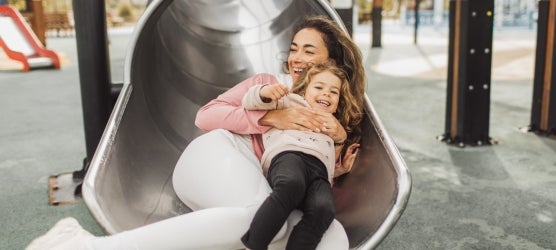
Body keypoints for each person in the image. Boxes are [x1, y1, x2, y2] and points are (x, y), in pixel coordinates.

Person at [27, 15, 366, 250]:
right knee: (267, 221)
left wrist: (334, 167)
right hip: (219, 154)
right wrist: (270, 119)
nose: (296, 58)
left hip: (263, 179)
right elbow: (206, 116)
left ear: (331, 61)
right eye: (294, 48)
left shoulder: (332, 108)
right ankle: (88, 246)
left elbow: (308, 165)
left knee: (333, 236)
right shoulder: (269, 85)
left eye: (309, 51)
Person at [240, 62, 363, 250]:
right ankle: (254, 245)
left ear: (338, 101)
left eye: (333, 92)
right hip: (289, 156)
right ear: (304, 91)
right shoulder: (291, 102)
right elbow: (250, 101)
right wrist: (265, 92)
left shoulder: (334, 125)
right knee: (292, 185)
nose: (326, 93)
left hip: (319, 173)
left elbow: (327, 161)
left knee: (324, 209)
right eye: (319, 87)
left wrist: (340, 167)